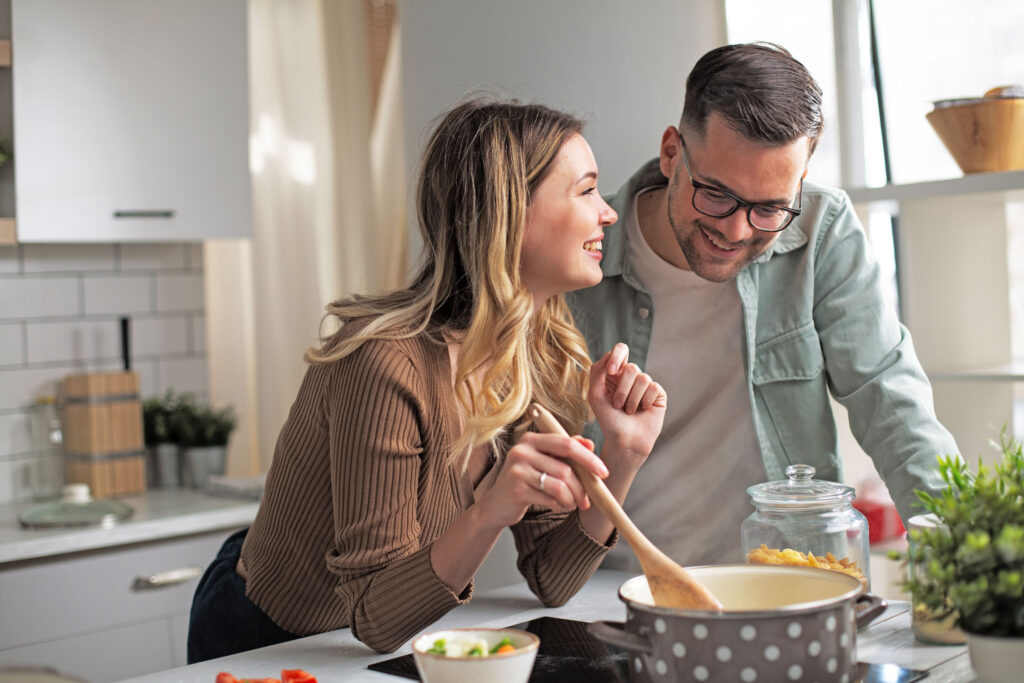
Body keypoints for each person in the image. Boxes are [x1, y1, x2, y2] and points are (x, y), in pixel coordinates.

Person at [187, 99, 667, 660]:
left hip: (370, 644)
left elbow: (553, 579)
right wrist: (489, 511)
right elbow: (374, 616)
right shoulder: (384, 363)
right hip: (267, 638)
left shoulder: (539, 353)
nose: (607, 213)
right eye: (586, 190)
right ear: (511, 213)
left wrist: (625, 454)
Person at [567, 42, 958, 572]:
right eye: (716, 194)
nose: (735, 230)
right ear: (671, 153)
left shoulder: (822, 227)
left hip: (789, 579)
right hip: (617, 593)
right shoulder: (579, 250)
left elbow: (890, 398)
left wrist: (962, 554)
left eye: (770, 208)